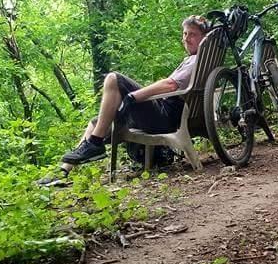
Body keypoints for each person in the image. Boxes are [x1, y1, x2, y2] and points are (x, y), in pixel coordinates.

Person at [37, 15, 209, 185]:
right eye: (185, 34)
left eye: (192, 34)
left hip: (167, 116)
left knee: (114, 78)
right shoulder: (198, 60)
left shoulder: (196, 60)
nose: (186, 39)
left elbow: (171, 85)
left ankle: (95, 143)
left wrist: (133, 96)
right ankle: (63, 171)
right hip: (169, 114)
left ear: (203, 38)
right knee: (96, 122)